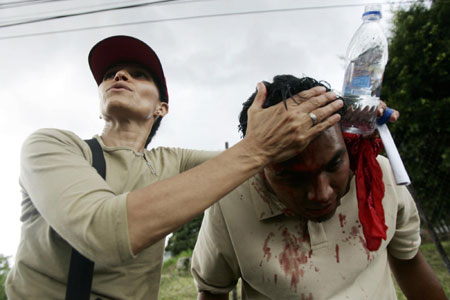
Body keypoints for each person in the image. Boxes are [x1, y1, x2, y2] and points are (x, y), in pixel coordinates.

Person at [5, 36, 343, 299]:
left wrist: (354, 115)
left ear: (161, 108)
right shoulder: (51, 145)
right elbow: (103, 233)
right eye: (110, 75)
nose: (119, 75)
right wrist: (257, 147)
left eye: (138, 75)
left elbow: (262, 159)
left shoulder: (174, 161)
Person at [191, 74, 447, 300]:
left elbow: (408, 260)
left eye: (334, 164)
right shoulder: (228, 203)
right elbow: (213, 290)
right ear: (260, 168)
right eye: (293, 178)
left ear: (346, 145)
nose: (321, 193)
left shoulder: (378, 177)